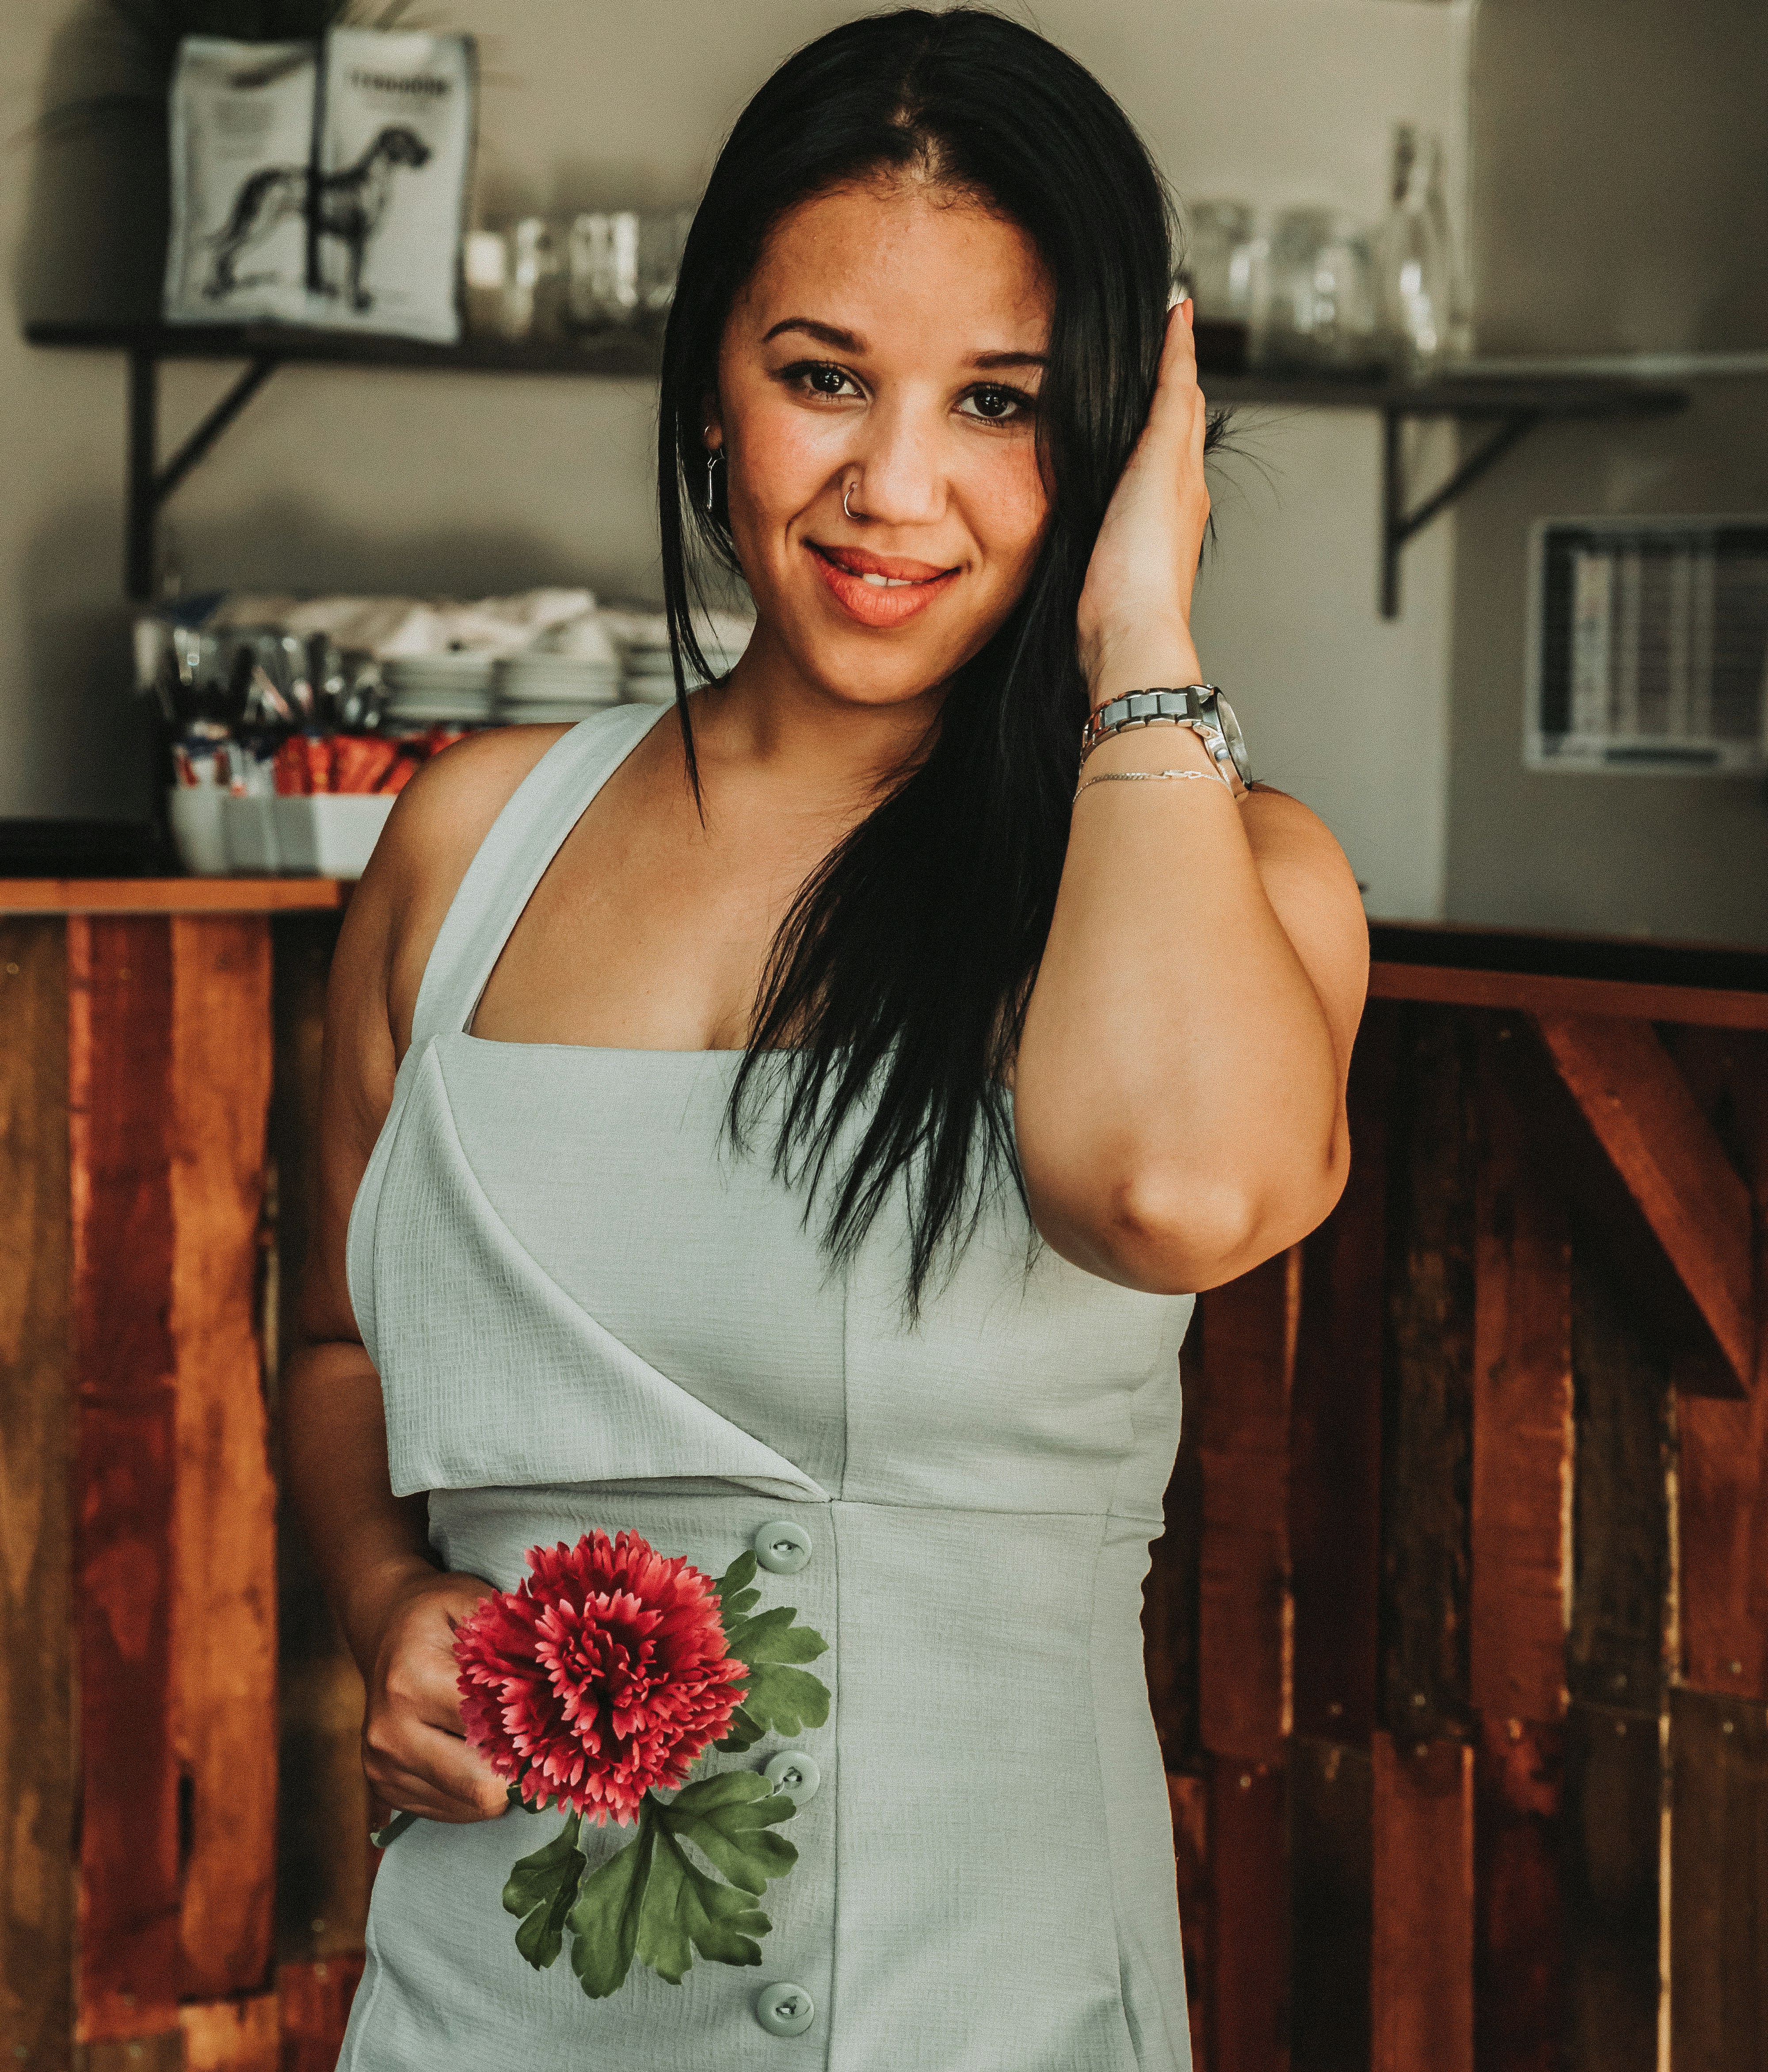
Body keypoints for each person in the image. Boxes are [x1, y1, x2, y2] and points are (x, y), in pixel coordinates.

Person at [286, 10, 1367, 2069]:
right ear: (713, 382)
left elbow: (1177, 1190)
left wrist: (1143, 628)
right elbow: (344, 1343)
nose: (895, 486)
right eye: (822, 380)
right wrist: (377, 1596)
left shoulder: (1222, 873)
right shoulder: (463, 844)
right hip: (480, 2005)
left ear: (1121, 436)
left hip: (983, 2004)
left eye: (1003, 405)